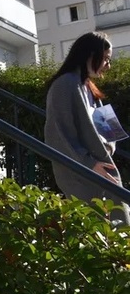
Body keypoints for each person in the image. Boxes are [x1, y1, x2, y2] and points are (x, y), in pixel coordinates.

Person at [45, 31, 129, 226]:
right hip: (82, 173)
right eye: (106, 59)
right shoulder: (64, 85)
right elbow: (57, 135)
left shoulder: (89, 87)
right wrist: (89, 163)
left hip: (101, 169)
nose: (108, 65)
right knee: (102, 227)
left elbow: (112, 131)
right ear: (91, 55)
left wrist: (108, 147)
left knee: (118, 222)